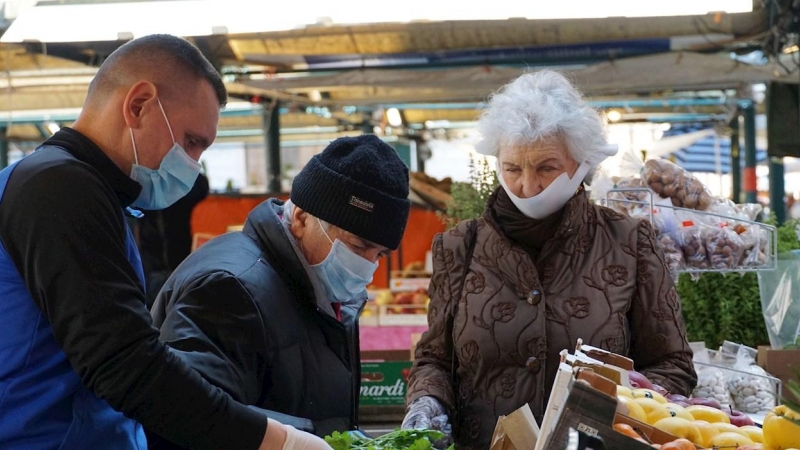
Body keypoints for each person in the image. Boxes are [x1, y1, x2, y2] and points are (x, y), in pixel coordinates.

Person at [0, 34, 326, 450]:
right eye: (192, 141)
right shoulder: (60, 189)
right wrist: (274, 440)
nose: (192, 165)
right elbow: (126, 366)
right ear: (138, 105)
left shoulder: (83, 191)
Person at [402, 70, 697, 449]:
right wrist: (427, 403)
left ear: (582, 163)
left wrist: (621, 411)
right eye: (512, 168)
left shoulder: (629, 242)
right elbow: (435, 361)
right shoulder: (460, 247)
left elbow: (672, 364)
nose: (527, 185)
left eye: (546, 167)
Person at [148, 135, 411, 448]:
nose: (367, 266)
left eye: (380, 254)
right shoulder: (229, 289)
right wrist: (292, 441)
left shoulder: (322, 287)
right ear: (301, 218)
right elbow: (189, 417)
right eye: (358, 246)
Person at [138, 172, 209, 308]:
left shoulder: (179, 187)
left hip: (178, 264)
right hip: (151, 267)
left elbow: (201, 188)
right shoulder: (142, 185)